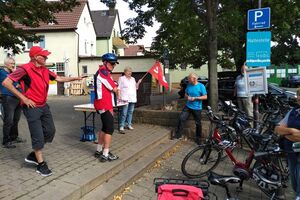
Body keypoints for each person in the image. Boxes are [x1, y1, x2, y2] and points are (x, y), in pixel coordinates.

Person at [2, 46, 83, 176]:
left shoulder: (45, 69)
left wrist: (76, 78)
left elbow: (59, 79)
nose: (46, 58)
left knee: (51, 131)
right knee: (38, 136)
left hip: (43, 106)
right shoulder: (24, 69)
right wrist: (24, 98)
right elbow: (6, 83)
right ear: (35, 57)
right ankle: (41, 164)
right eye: (43, 56)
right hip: (31, 107)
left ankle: (34, 153)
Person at [93, 53, 119, 162]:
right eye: (112, 63)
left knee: (104, 127)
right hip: (104, 103)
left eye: (115, 64)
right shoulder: (103, 72)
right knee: (109, 129)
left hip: (104, 103)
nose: (113, 66)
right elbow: (113, 88)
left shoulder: (105, 72)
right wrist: (117, 90)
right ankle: (105, 153)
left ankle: (99, 150)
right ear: (105, 62)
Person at [275, 89, 300, 200]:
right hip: (291, 153)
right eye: (298, 95)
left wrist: (287, 133)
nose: (298, 97)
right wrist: (291, 131)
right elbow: (277, 128)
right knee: (295, 184)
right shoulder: (294, 111)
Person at [173, 73, 207, 144]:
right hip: (188, 106)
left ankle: (198, 138)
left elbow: (205, 97)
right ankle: (178, 135)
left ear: (194, 79)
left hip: (197, 108)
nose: (188, 79)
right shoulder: (189, 85)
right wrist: (187, 97)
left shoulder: (201, 86)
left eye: (189, 78)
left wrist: (195, 98)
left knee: (198, 123)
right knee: (181, 118)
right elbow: (185, 94)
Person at [0, 57, 24, 148]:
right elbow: (12, 83)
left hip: (17, 98)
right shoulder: (2, 72)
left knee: (16, 119)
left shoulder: (14, 73)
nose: (13, 65)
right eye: (11, 63)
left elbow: (19, 83)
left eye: (14, 63)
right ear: (6, 64)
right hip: (8, 98)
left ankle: (14, 137)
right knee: (8, 120)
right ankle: (6, 141)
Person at [117, 67, 142, 134]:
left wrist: (138, 83)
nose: (129, 73)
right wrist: (119, 96)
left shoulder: (133, 79)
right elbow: (118, 88)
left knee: (130, 112)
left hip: (132, 97)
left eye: (130, 71)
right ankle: (121, 126)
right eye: (128, 71)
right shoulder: (121, 78)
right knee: (124, 113)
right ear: (125, 72)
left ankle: (129, 124)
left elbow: (136, 88)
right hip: (125, 98)